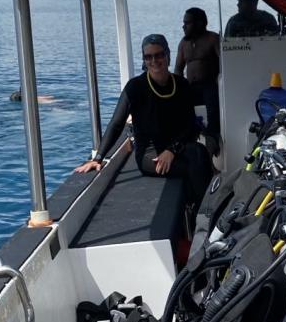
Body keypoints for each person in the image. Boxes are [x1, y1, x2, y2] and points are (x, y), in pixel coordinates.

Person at [75, 34, 210, 203]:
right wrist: (98, 158)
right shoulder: (135, 87)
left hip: (176, 148)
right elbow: (116, 124)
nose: (154, 61)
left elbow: (191, 124)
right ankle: (202, 215)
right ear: (144, 60)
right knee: (196, 165)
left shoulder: (181, 84)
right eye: (148, 57)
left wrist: (172, 150)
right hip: (151, 155)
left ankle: (202, 212)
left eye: (159, 55)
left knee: (200, 153)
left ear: (168, 55)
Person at [174, 7, 221, 143]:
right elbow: (178, 69)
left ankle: (213, 138)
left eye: (187, 23)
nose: (184, 27)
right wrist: (178, 88)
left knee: (212, 111)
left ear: (200, 23)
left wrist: (219, 79)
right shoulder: (183, 43)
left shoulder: (213, 39)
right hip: (190, 87)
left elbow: (224, 63)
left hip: (210, 86)